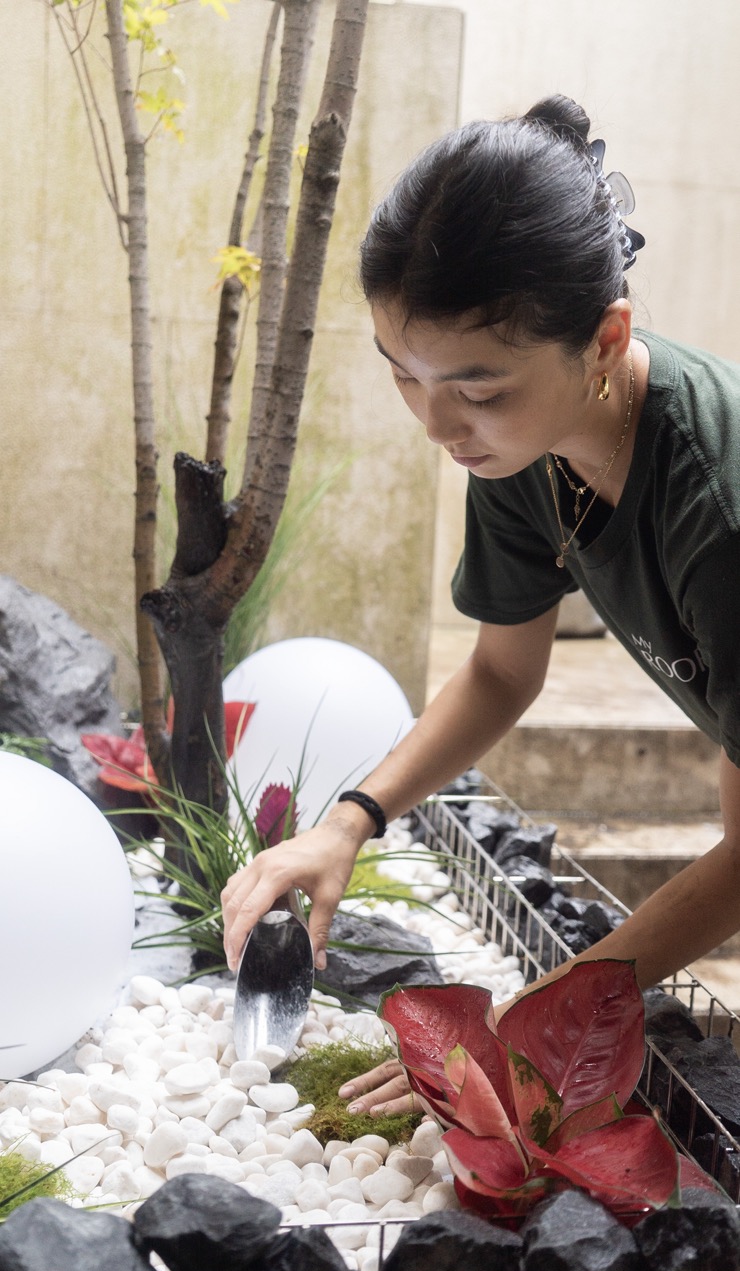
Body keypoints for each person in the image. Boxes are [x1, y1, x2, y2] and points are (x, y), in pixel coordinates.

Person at [222, 94, 740, 1116]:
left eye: (476, 387)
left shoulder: (713, 516)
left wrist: (530, 1017)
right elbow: (503, 669)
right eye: (403, 375)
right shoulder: (521, 441)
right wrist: (348, 822)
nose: (436, 422)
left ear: (604, 338)